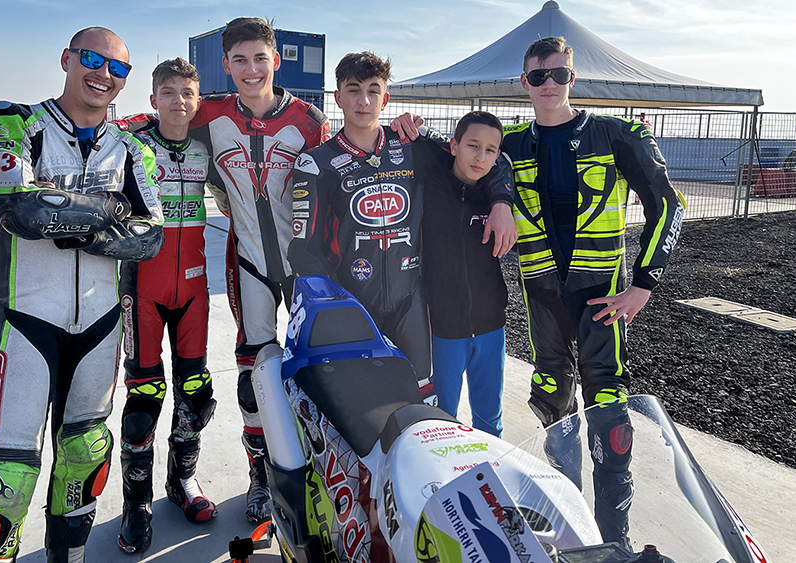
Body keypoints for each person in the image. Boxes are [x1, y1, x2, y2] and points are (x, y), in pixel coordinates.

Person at [0, 27, 164, 563]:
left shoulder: (133, 148)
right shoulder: (14, 123)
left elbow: (149, 238)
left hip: (99, 324)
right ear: (66, 59)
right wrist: (109, 211)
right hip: (22, 322)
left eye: (117, 68)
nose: (103, 74)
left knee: (84, 455)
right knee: (5, 482)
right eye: (92, 59)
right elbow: (20, 211)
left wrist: (54, 210)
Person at [497, 36, 683, 549]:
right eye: (539, 76)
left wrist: (644, 284)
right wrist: (407, 127)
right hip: (542, 298)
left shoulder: (617, 133)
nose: (549, 84)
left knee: (610, 413)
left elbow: (668, 205)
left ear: (572, 78)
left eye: (558, 74)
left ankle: (614, 543)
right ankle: (570, 535)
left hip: (602, 297)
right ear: (525, 82)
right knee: (552, 401)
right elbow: (454, 156)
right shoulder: (508, 143)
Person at [287, 53, 515, 405]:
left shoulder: (413, 145)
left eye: (373, 91)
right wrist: (334, 309)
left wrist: (502, 202)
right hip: (352, 303)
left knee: (420, 403)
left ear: (386, 99)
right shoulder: (316, 164)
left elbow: (483, 158)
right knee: (360, 407)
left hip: (412, 305)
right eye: (353, 90)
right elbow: (304, 250)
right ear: (338, 97)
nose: (363, 101)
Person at [188, 17, 330, 523]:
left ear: (276, 60)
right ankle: (260, 477)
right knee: (254, 374)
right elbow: (148, 123)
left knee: (319, 367)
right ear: (226, 65)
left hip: (305, 266)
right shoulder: (208, 113)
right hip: (247, 261)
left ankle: (322, 468)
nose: (252, 70)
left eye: (260, 58)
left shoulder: (310, 119)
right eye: (240, 60)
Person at [111, 58, 222, 554]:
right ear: (153, 98)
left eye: (187, 93)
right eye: (169, 92)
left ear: (198, 101)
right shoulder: (131, 143)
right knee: (144, 398)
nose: (179, 100)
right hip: (143, 288)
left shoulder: (205, 147)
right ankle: (136, 505)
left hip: (194, 287)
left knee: (195, 390)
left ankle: (182, 481)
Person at [422, 111, 512, 438]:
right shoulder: (428, 183)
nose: (480, 157)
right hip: (444, 328)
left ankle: (490, 468)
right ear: (454, 145)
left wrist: (503, 202)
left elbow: (504, 167)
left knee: (490, 420)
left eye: (489, 150)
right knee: (443, 419)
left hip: (491, 325)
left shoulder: (496, 196)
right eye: (473, 146)